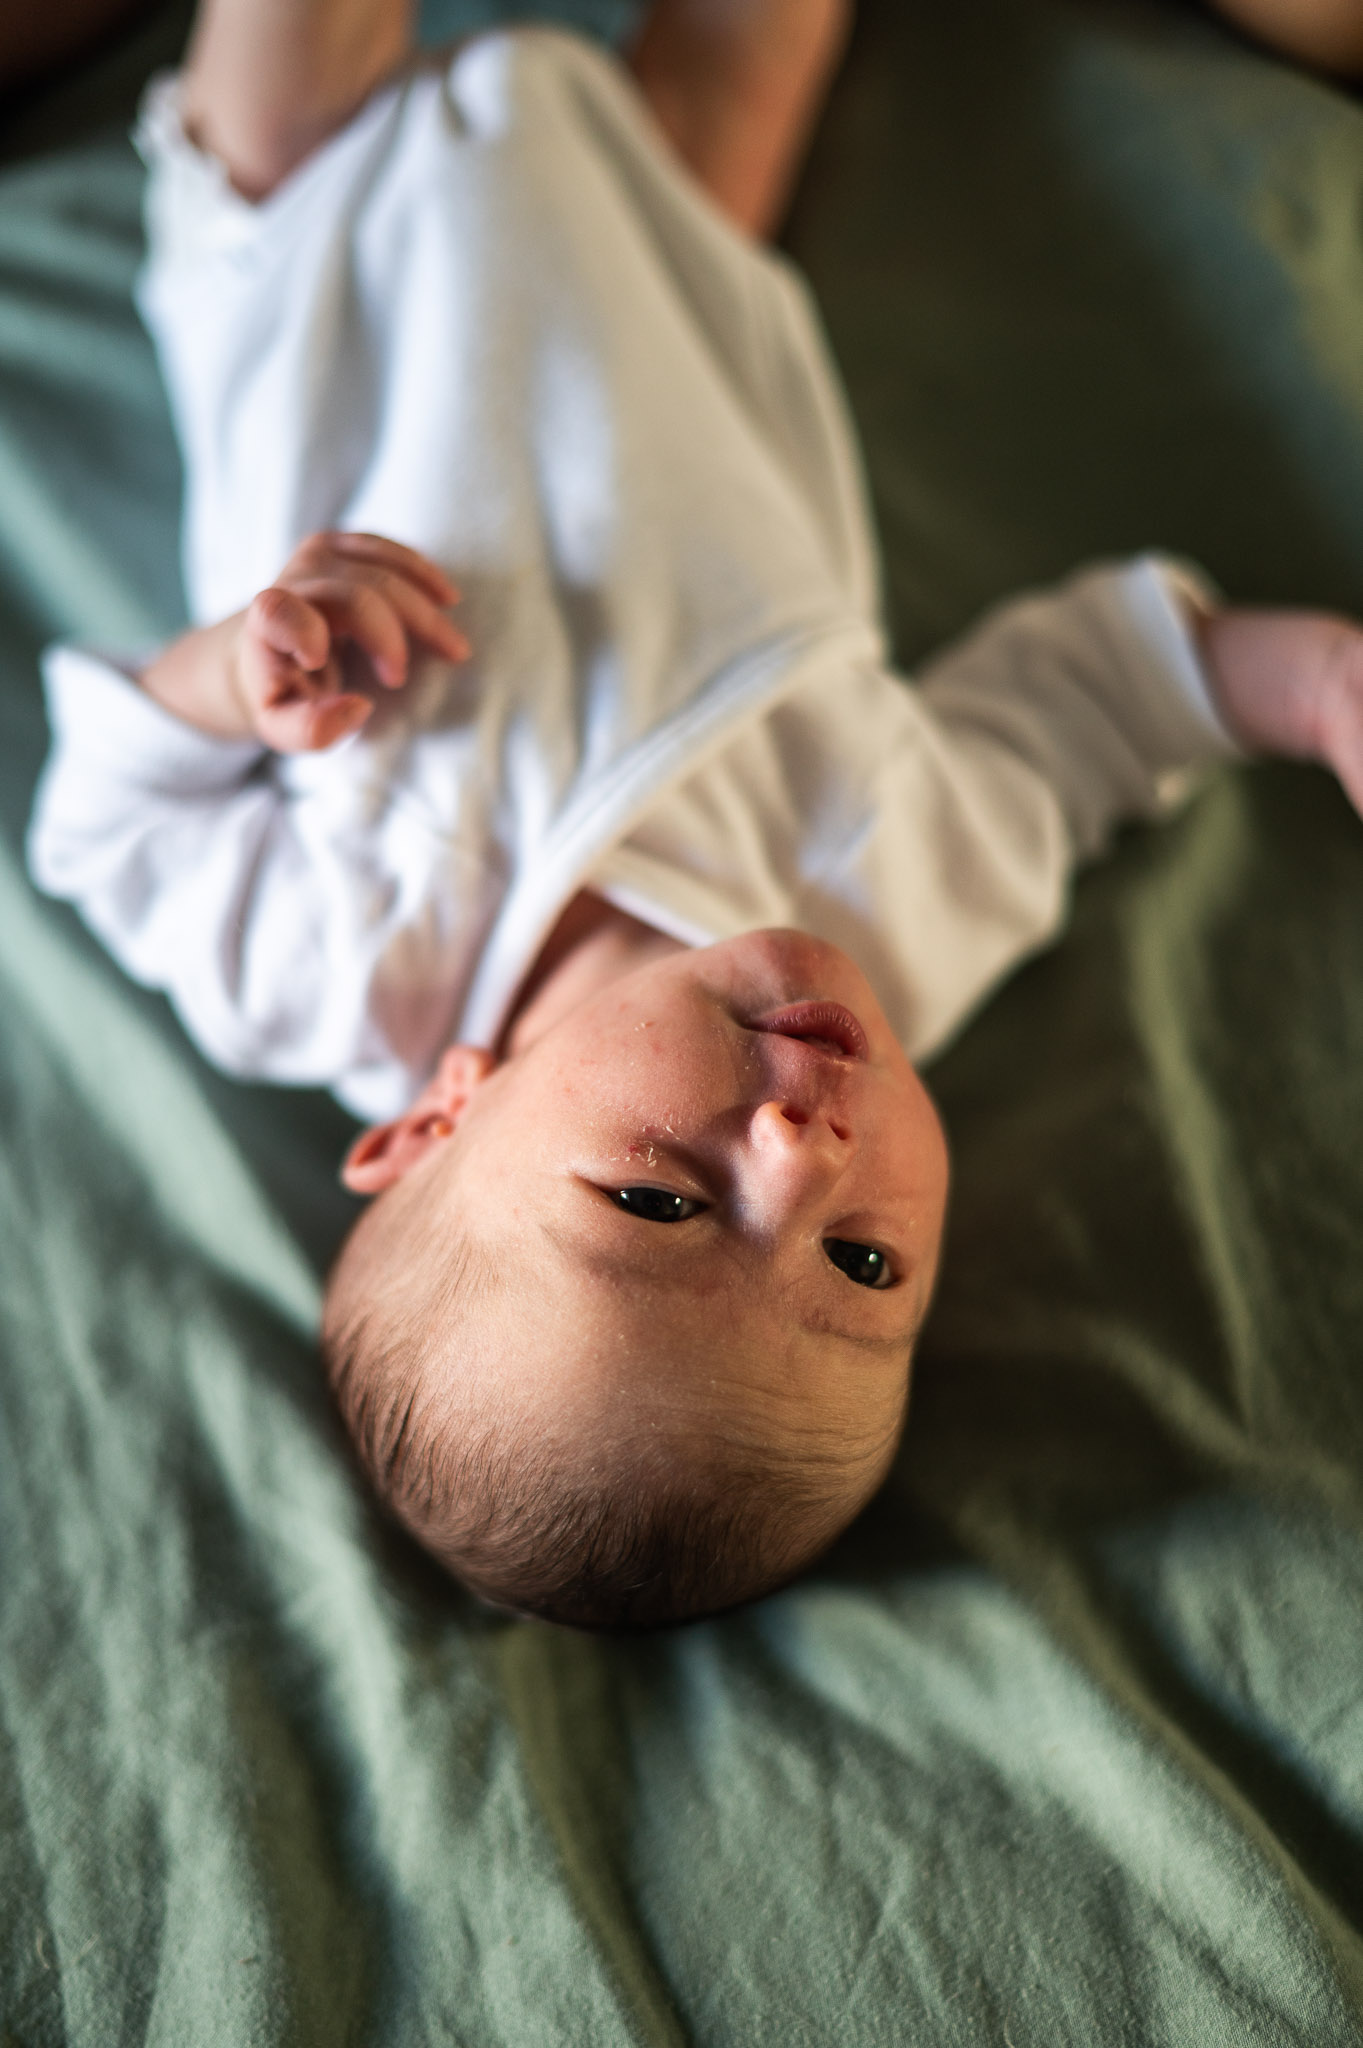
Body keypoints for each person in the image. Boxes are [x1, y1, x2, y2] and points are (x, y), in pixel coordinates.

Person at [27, 0, 1363, 1629]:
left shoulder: (333, 968)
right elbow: (1109, 706)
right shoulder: (908, 913)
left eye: (662, 1205)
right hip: (675, 246)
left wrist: (230, 683)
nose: (803, 1166)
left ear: (436, 1121)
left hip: (309, 254)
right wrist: (1313, 691)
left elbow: (100, 822)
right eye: (863, 1270)